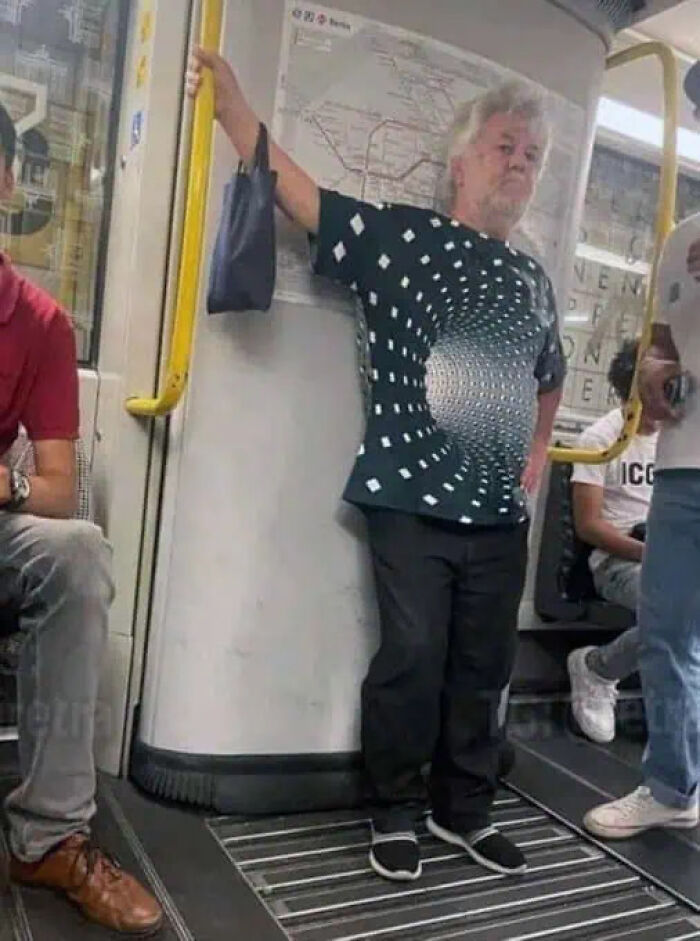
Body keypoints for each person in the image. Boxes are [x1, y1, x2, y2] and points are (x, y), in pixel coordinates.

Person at [188, 49, 566, 881]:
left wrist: (538, 450)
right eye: (505, 146)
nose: (520, 164)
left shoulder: (534, 280)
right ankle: (394, 808)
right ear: (462, 161)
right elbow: (307, 201)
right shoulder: (405, 238)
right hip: (412, 492)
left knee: (485, 665)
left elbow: (550, 374)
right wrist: (235, 114)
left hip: (500, 509)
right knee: (414, 655)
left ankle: (464, 811)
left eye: (533, 155)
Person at [0, 101, 163, 935]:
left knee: (78, 550)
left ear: (8, 181)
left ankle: (49, 837)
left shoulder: (40, 324)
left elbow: (58, 488)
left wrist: (3, 483)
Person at [584, 60, 700, 839]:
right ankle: (671, 786)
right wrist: (656, 374)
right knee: (667, 635)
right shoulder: (681, 240)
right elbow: (661, 346)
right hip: (684, 466)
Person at [567, 339, 657, 744]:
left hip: (670, 553)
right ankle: (598, 669)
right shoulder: (600, 438)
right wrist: (650, 553)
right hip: (619, 560)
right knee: (677, 609)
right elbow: (589, 525)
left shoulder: (678, 441)